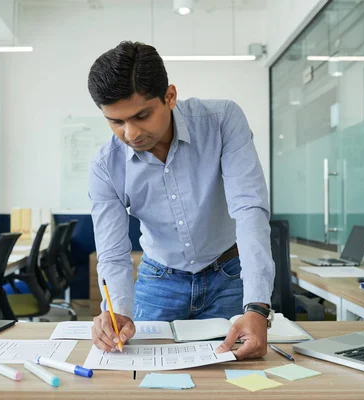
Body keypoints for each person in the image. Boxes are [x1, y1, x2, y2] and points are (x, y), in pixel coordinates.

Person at [87, 41, 275, 361]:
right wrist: (116, 311)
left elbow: (249, 208)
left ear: (170, 96)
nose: (131, 133)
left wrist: (257, 306)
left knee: (235, 376)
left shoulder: (222, 120)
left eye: (142, 115)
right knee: (142, 374)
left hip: (228, 274)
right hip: (159, 279)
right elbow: (113, 253)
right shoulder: (106, 165)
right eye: (116, 122)